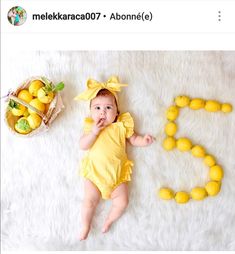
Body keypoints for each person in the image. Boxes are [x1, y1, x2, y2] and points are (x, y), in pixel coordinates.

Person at [75, 76, 155, 240]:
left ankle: (109, 220)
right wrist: (93, 133)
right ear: (91, 112)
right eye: (97, 108)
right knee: (89, 201)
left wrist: (143, 141)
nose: (102, 112)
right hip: (95, 175)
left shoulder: (121, 126)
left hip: (117, 177)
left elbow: (133, 139)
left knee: (123, 202)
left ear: (117, 113)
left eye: (108, 107)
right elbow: (83, 145)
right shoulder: (91, 127)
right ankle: (85, 225)